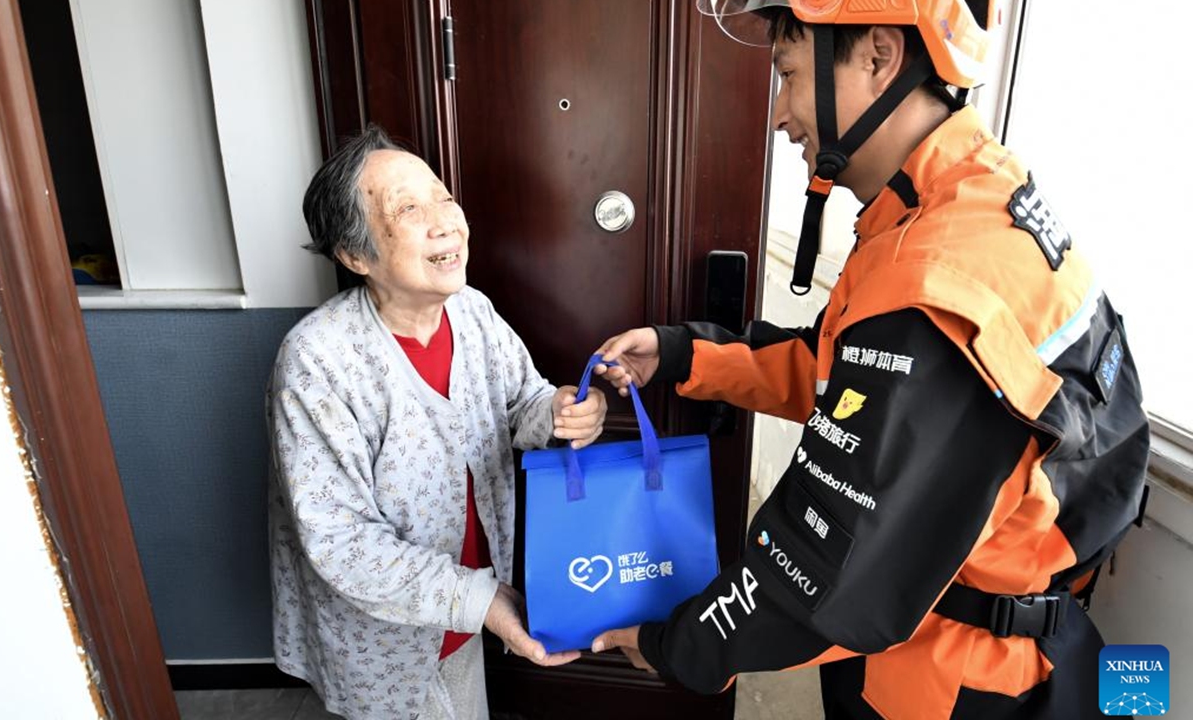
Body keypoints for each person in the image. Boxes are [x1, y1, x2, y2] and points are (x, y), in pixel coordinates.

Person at [590, 1, 1150, 718]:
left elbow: (819, 568)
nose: (780, 114)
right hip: (1010, 636)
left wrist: (679, 646)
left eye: (788, 74)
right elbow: (846, 381)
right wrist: (680, 355)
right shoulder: (973, 196)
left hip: (953, 683)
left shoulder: (939, 282)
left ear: (879, 57)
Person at [267, 124, 599, 720]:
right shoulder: (317, 360)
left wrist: (559, 411)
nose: (445, 219)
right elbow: (341, 541)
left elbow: (522, 401)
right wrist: (483, 599)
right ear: (354, 255)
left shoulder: (472, 312)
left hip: (466, 615)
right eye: (408, 208)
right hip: (382, 641)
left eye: (443, 196)